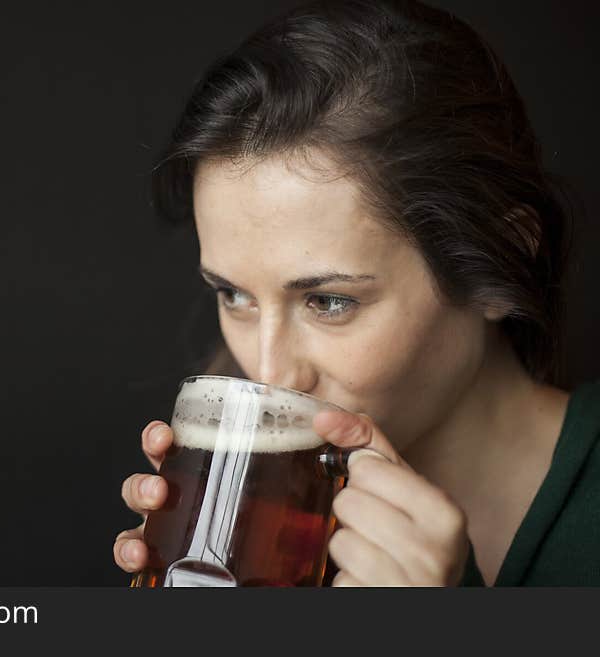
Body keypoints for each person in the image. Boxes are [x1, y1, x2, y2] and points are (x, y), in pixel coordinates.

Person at [113, 0, 600, 586]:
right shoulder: (268, 534)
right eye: (233, 295)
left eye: (329, 302)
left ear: (507, 254)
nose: (270, 376)